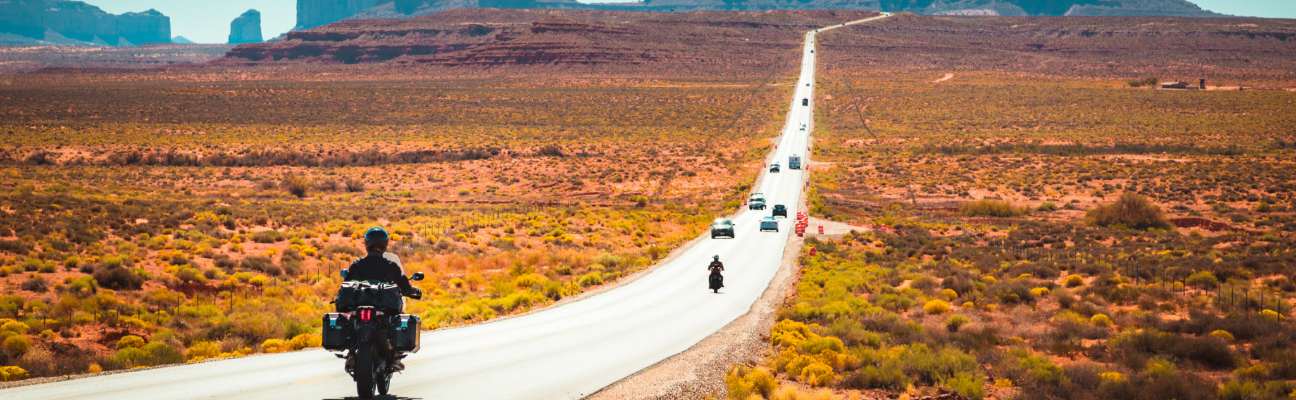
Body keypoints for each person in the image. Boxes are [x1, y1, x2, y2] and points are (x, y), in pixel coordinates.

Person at [344, 227, 422, 372]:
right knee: (394, 321)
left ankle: (351, 353)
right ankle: (394, 356)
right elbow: (404, 285)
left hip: (359, 305)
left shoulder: (357, 264)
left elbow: (346, 283)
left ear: (367, 244)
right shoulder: (391, 265)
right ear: (385, 245)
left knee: (351, 320)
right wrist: (412, 291)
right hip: (382, 306)